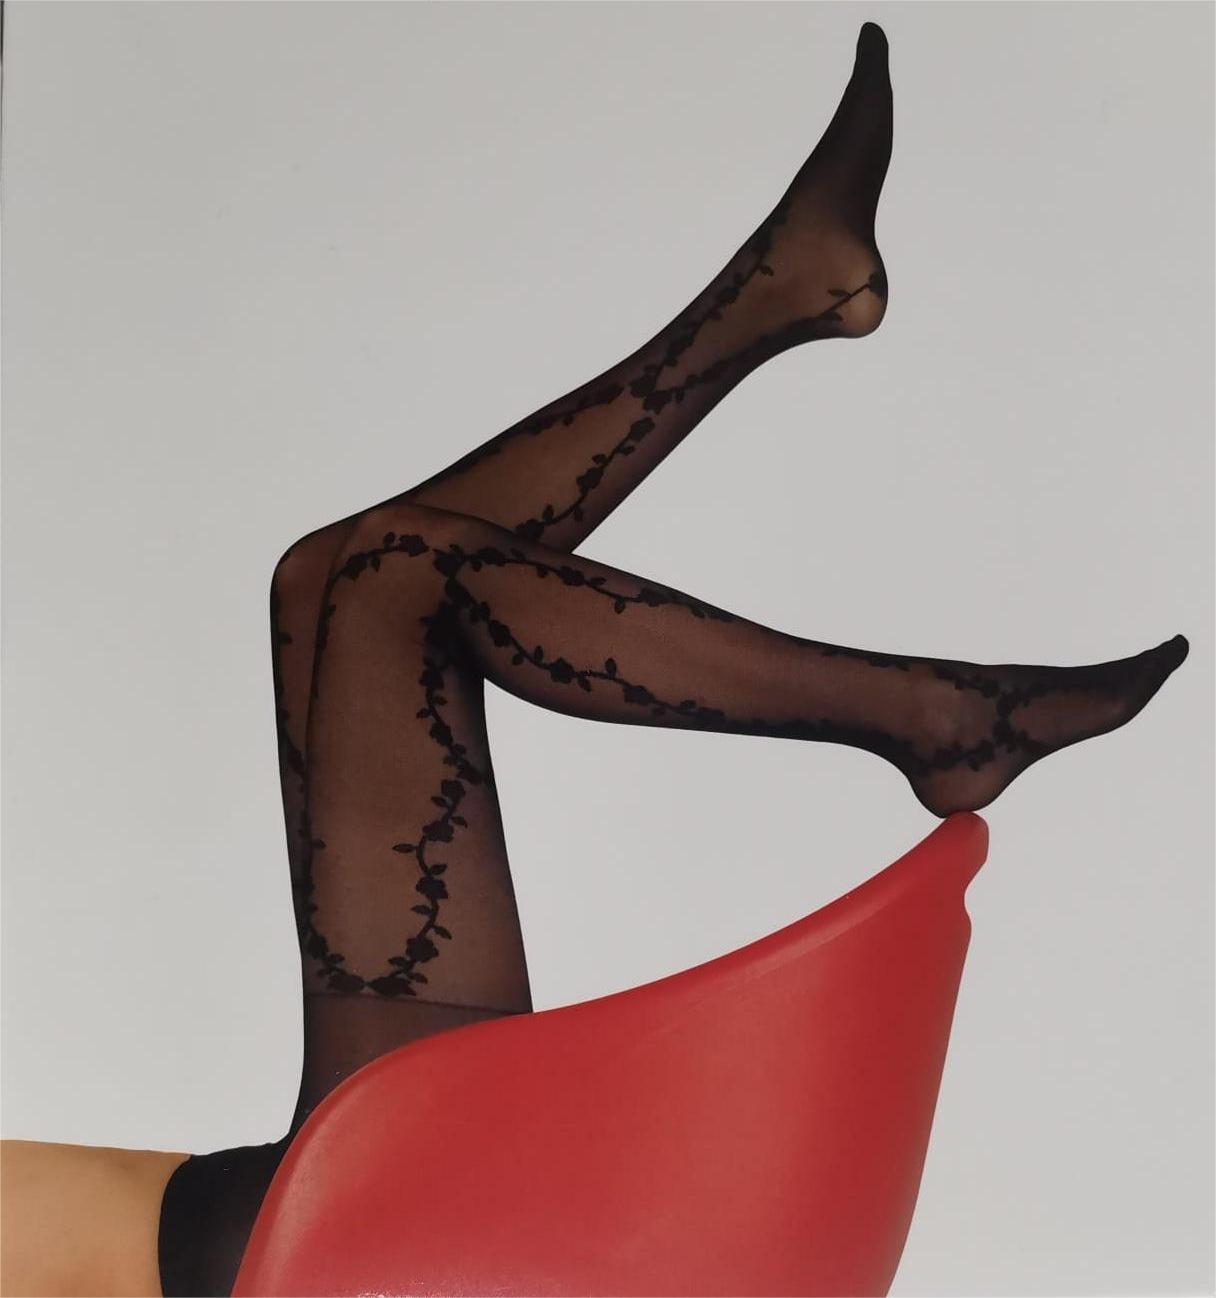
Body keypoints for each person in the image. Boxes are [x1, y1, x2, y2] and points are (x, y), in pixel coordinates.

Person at [0, 24, 1188, 1298]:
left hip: (336, 1202)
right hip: (373, 1248)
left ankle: (790, 324)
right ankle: (935, 702)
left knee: (337, 581)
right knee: (386, 579)